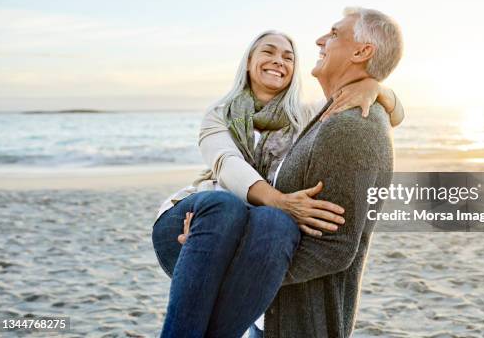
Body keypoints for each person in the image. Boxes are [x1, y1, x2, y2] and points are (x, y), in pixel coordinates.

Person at [152, 23, 404, 337]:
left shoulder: (306, 115)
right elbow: (227, 164)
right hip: (194, 217)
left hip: (249, 234)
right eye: (268, 52)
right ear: (248, 61)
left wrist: (376, 88)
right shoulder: (218, 114)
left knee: (277, 223)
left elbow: (394, 114)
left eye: (288, 57)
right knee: (224, 205)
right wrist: (282, 202)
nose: (278, 60)